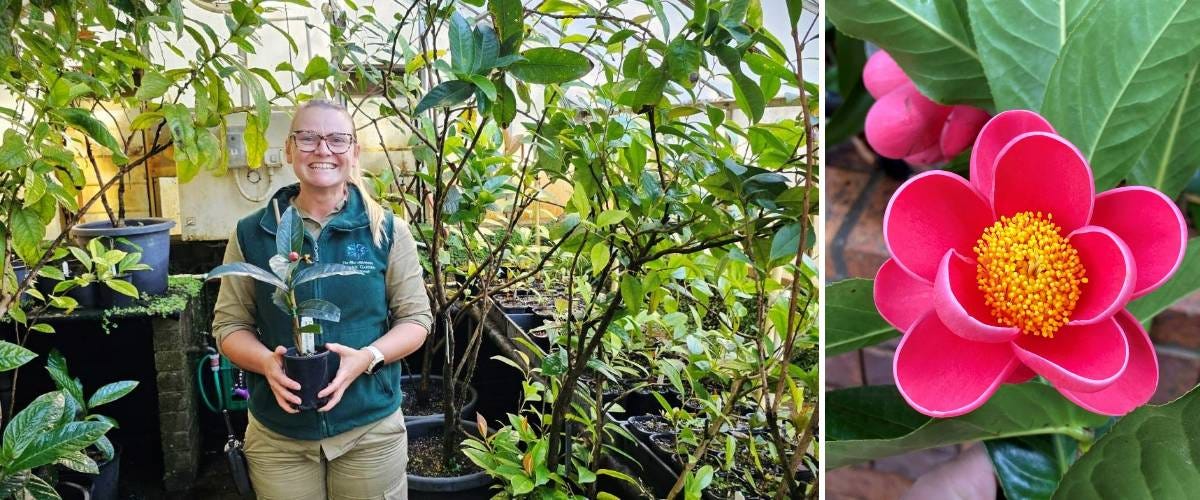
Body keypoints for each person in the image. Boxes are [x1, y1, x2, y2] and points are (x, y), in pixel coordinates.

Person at [212, 99, 431, 499]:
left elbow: (416, 320)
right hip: (279, 438)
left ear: (354, 152)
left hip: (369, 431)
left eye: (337, 139)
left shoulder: (385, 231)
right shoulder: (253, 233)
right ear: (291, 149)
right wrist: (266, 362)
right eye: (308, 138)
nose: (323, 149)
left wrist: (367, 358)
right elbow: (229, 326)